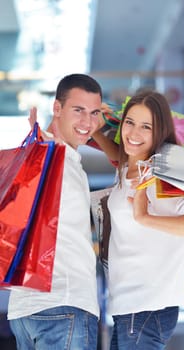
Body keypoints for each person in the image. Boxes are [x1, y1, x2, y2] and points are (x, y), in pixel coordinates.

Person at [92, 90, 184, 349]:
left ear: (159, 132)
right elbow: (122, 156)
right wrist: (95, 127)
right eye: (129, 122)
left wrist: (145, 217)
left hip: (147, 307)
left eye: (146, 127)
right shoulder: (132, 169)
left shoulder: (163, 179)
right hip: (129, 307)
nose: (134, 133)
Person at [7, 73, 103, 350]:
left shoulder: (59, 156)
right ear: (57, 109)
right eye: (78, 110)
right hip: (64, 306)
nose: (88, 122)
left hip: (27, 310)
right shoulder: (51, 155)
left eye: (94, 113)